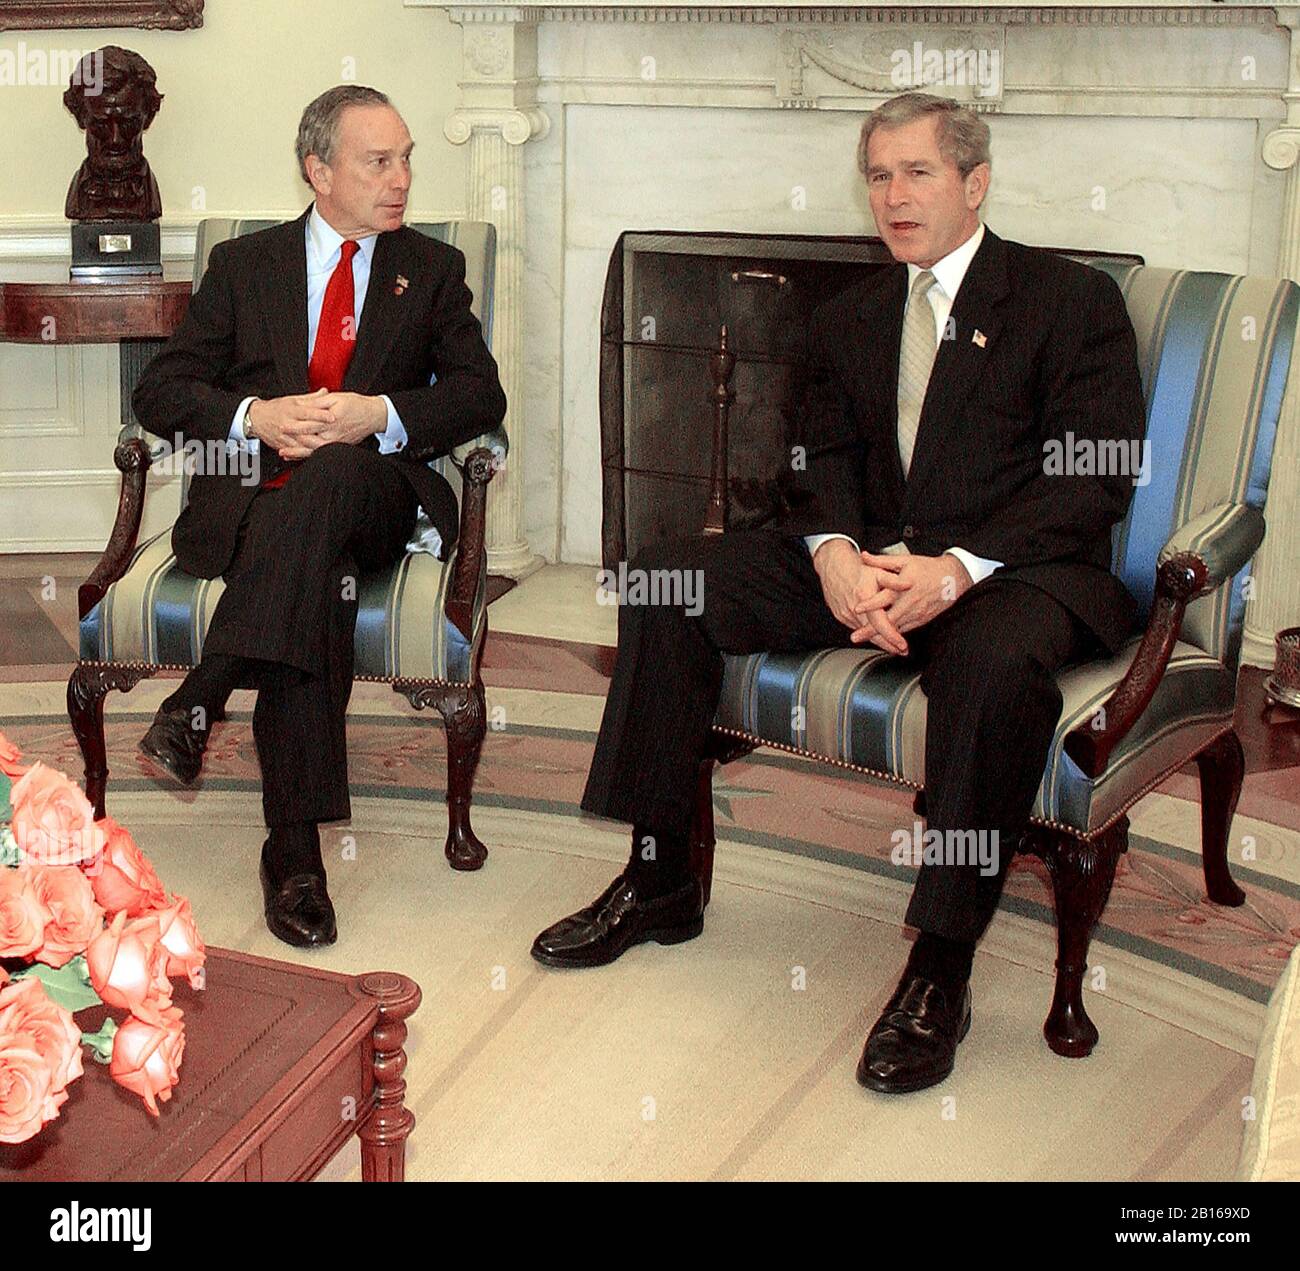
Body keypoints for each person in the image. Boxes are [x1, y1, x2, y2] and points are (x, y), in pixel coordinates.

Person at [530, 91, 1146, 1094]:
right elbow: (814, 461)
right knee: (663, 575)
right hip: (868, 564)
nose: (892, 197)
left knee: (994, 667)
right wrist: (831, 555)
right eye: (877, 176)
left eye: (917, 173)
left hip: (1013, 571)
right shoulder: (850, 314)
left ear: (974, 181)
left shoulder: (1066, 300)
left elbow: (1094, 475)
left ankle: (939, 962)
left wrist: (956, 570)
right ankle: (659, 873)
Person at [132, 85, 506, 948]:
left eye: (407, 157)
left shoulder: (432, 269)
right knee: (310, 584)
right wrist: (252, 417)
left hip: (375, 496)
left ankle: (204, 692)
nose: (403, 178)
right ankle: (293, 854)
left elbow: (481, 393)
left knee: (334, 468)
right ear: (318, 170)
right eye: (380, 161)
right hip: (256, 505)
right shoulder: (245, 265)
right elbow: (161, 389)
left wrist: (380, 414)